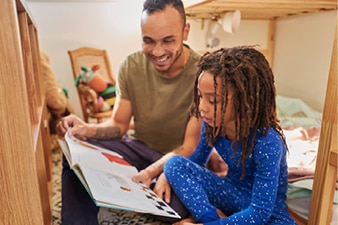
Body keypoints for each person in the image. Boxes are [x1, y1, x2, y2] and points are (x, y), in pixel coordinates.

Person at [56, 1, 226, 224]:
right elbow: (119, 125)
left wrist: (156, 172)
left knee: (175, 207)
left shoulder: (202, 74)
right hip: (137, 148)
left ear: (185, 32)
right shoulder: (130, 66)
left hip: (177, 161)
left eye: (168, 40)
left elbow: (189, 146)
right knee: (75, 155)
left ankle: (147, 191)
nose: (157, 51)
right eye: (148, 41)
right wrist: (86, 129)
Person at [164, 46, 297, 225]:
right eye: (200, 96)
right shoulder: (212, 125)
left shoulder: (268, 142)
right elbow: (195, 163)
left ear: (246, 101)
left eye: (213, 101)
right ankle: (211, 219)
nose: (202, 107)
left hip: (265, 211)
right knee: (173, 164)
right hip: (231, 194)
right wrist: (166, 175)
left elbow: (260, 213)